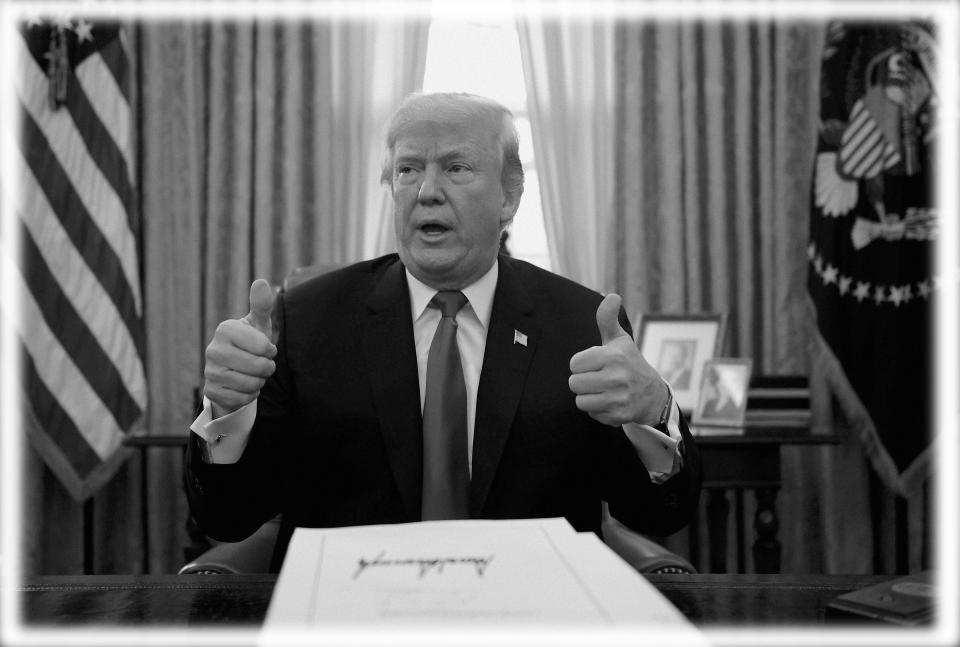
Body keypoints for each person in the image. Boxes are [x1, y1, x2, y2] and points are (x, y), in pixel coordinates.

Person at [186, 93, 701, 569]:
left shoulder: (583, 325)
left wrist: (654, 412)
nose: (427, 191)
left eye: (456, 168)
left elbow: (658, 515)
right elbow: (228, 517)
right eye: (409, 169)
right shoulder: (306, 322)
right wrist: (229, 412)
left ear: (509, 197)